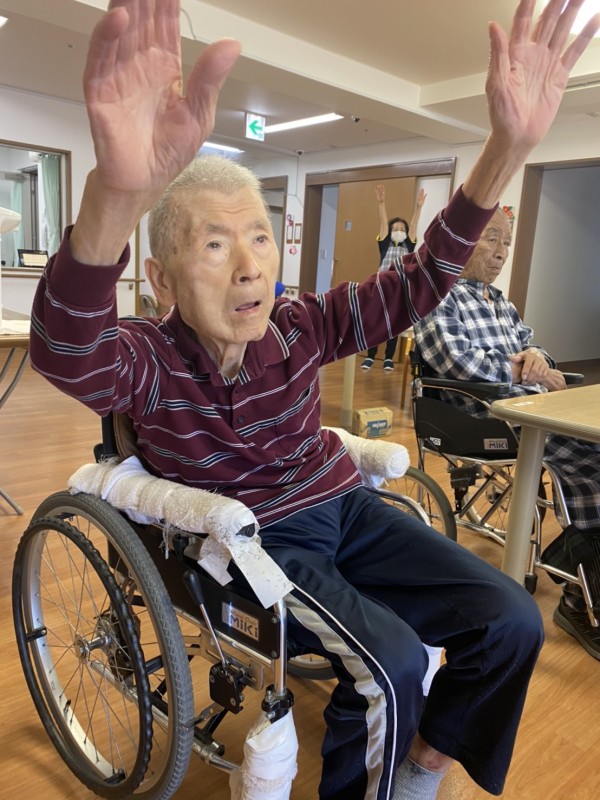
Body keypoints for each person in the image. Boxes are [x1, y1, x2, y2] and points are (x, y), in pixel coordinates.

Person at [28, 1, 600, 797]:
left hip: (344, 509)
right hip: (246, 543)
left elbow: (419, 281)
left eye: (260, 237)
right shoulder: (148, 358)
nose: (250, 266)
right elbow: (65, 350)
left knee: (511, 618)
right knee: (392, 662)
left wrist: (506, 149)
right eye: (215, 243)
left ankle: (419, 769)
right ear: (160, 279)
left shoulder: (300, 326)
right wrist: (116, 195)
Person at [413, 208, 600, 661]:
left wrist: (538, 357)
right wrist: (525, 371)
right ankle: (579, 591)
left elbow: (534, 346)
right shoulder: (436, 296)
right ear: (464, 240)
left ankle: (577, 559)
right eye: (491, 238)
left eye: (507, 243)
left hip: (526, 408)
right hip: (481, 417)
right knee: (591, 460)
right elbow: (458, 362)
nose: (500, 253)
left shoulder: (501, 302)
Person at [361, 185, 426, 371]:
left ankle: (388, 358)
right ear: (390, 231)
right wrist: (381, 204)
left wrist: (418, 207)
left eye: (402, 228)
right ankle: (371, 356)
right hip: (381, 286)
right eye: (396, 228)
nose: (399, 230)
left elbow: (414, 225)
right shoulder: (384, 243)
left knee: (394, 324)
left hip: (400, 287)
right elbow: (383, 223)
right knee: (376, 321)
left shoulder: (408, 245)